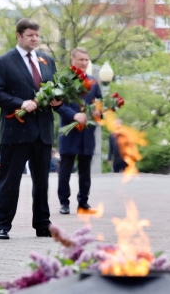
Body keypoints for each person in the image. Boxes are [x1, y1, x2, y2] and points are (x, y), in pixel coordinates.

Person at [0, 18, 61, 240]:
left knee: (42, 181)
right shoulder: (4, 61)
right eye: (30, 35)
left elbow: (54, 89)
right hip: (16, 131)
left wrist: (58, 101)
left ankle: (42, 224)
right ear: (19, 36)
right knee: (9, 180)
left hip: (42, 131)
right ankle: (2, 224)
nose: (34, 39)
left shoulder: (47, 60)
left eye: (37, 35)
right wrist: (19, 102)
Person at [55, 47, 102, 215]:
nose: (83, 63)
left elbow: (99, 104)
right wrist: (74, 115)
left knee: (85, 170)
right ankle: (64, 203)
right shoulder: (64, 82)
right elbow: (58, 106)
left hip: (87, 134)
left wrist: (98, 113)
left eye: (86, 60)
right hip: (69, 132)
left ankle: (83, 203)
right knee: (65, 168)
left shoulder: (94, 82)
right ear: (72, 60)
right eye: (80, 59)